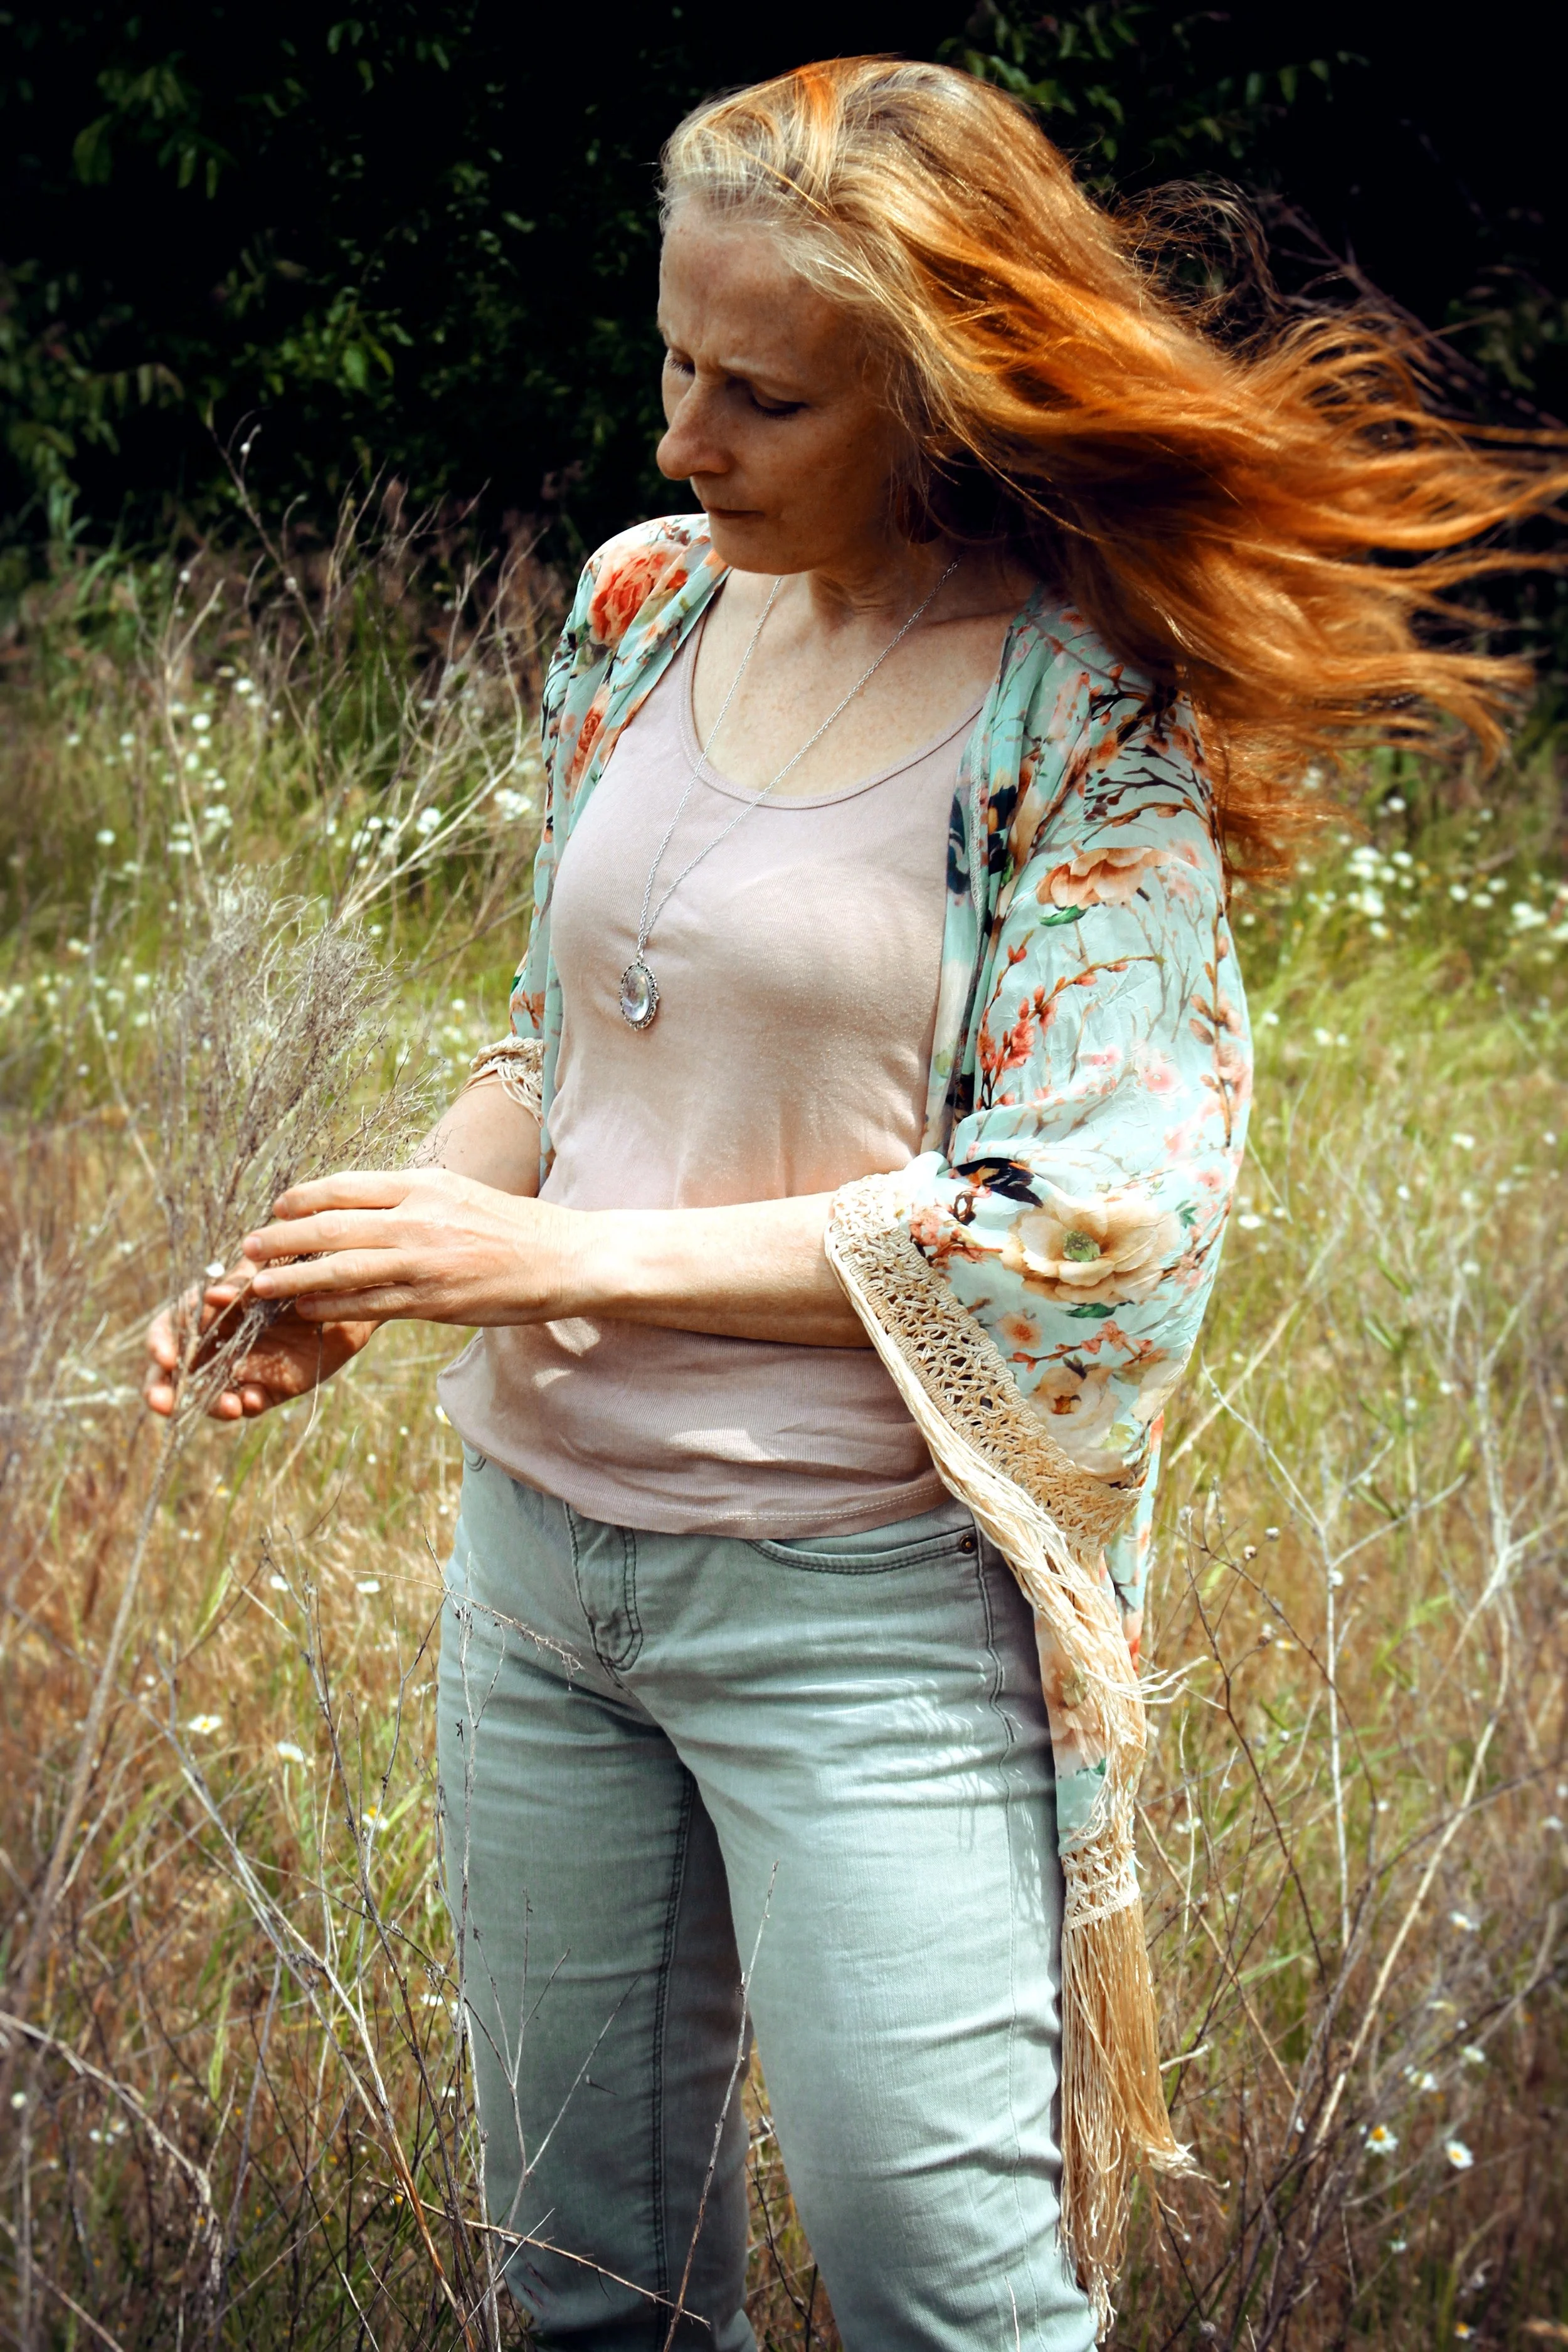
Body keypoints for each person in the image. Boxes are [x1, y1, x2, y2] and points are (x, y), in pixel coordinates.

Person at [145, 56, 1565, 2351]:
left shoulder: (1073, 713)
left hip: (862, 1624)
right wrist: (389, 1251)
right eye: (673, 359)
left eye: (763, 398)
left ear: (935, 395)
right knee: (586, 2286)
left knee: (946, 2299)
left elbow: (1093, 1215)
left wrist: (547, 1260)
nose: (683, 441)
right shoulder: (638, 606)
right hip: (539, 1590)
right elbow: (555, 1038)